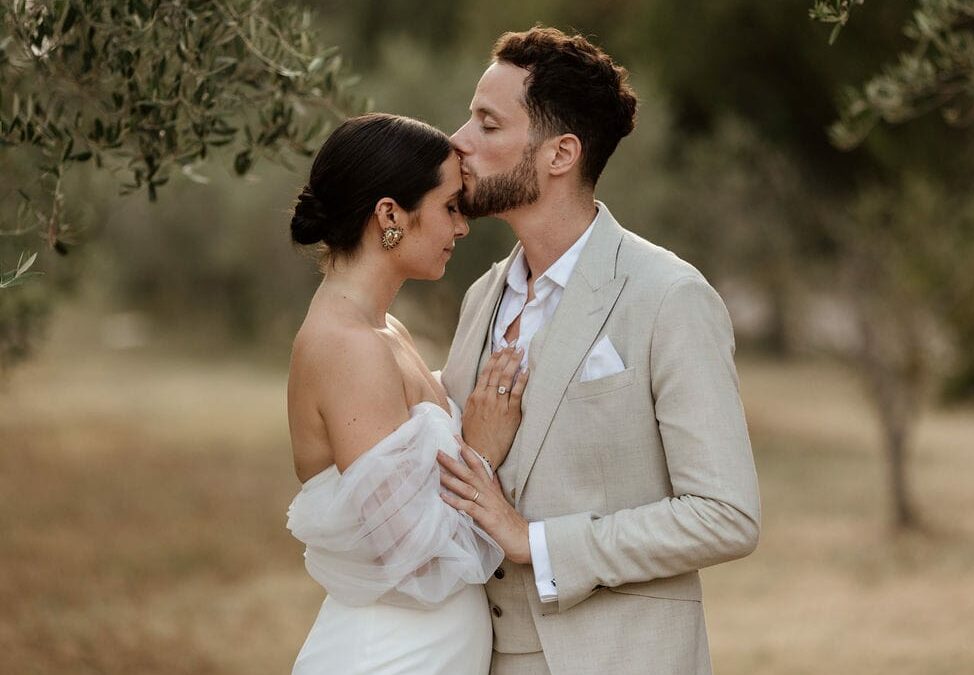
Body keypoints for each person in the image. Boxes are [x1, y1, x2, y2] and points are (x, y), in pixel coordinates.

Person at [435, 27, 762, 674]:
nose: (459, 141)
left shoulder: (669, 296)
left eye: (487, 124)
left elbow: (727, 515)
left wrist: (536, 541)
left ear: (560, 154)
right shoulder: (481, 297)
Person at [284, 112, 529, 675]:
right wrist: (483, 453)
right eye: (449, 207)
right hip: (388, 656)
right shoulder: (348, 346)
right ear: (390, 214)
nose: (461, 228)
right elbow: (410, 560)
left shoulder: (384, 331)